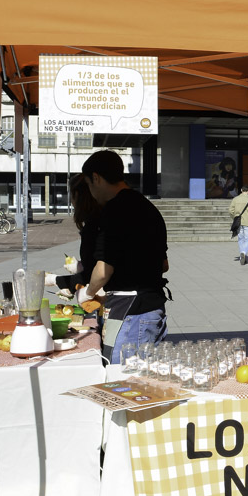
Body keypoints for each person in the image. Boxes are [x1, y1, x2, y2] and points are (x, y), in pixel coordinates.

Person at [79, 151, 169, 360]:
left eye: (89, 185)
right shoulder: (147, 207)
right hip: (152, 308)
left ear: (96, 178)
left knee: (125, 383)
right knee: (143, 383)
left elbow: (102, 270)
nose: (91, 192)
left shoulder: (115, 209)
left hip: (132, 314)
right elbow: (164, 264)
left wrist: (88, 292)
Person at [48, 173, 101, 297]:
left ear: (76, 195)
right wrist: (81, 267)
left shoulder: (94, 226)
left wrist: (54, 280)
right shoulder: (98, 221)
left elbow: (101, 271)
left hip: (128, 307)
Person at [229, 184, 248, 266]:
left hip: (238, 223)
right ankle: (244, 253)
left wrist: (235, 218)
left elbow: (230, 210)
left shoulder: (235, 199)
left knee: (240, 239)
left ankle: (242, 254)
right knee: (247, 239)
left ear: (241, 190)